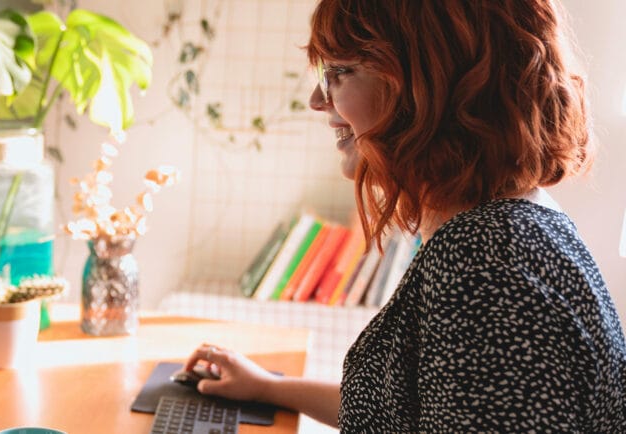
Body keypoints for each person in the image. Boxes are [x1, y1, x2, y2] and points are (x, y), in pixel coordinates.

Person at [184, 0, 626, 431]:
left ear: (429, 87)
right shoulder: (508, 228)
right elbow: (404, 411)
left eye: (340, 72)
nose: (318, 99)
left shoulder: (485, 266)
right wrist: (267, 388)